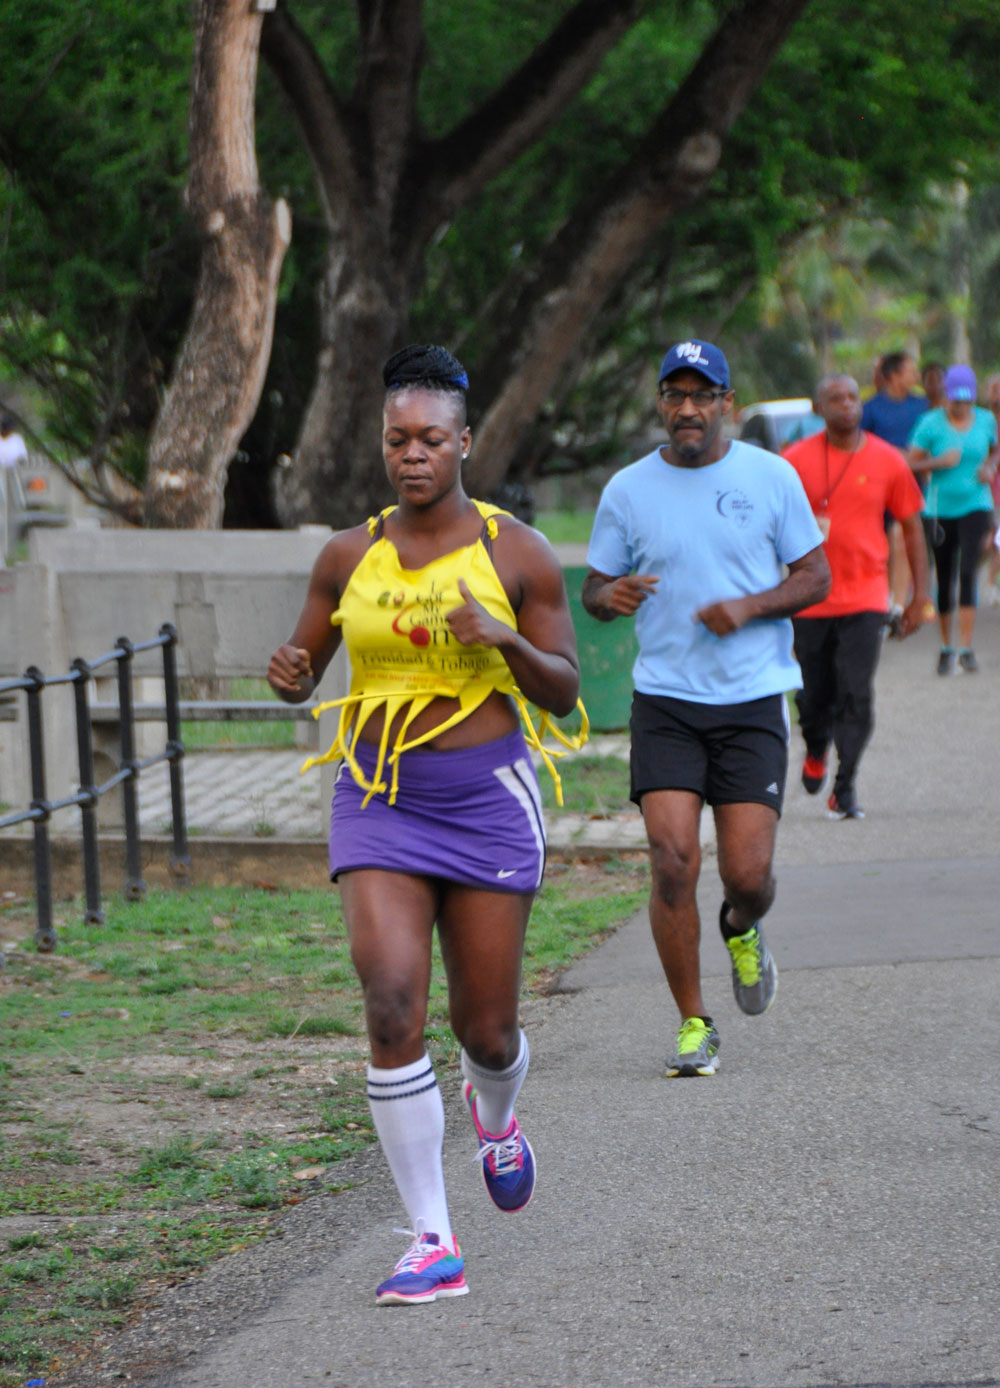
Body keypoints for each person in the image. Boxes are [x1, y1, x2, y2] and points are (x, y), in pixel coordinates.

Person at [267, 345, 584, 1305]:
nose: (413, 454)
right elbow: (302, 669)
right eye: (398, 439)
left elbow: (564, 691)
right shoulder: (346, 555)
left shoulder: (516, 553)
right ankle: (431, 1240)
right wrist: (289, 675)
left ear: (465, 443)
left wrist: (506, 639)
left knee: (485, 1030)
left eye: (431, 440)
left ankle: (496, 1117)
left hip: (486, 800)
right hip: (378, 796)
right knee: (392, 1001)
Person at [582, 339, 830, 1079]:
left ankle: (741, 927)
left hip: (751, 698)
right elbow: (594, 589)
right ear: (661, 403)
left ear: (728, 404)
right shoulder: (627, 489)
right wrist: (610, 595)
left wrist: (748, 606)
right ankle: (695, 1022)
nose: (687, 408)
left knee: (748, 877)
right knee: (672, 861)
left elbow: (815, 576)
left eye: (702, 395)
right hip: (666, 701)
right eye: (675, 394)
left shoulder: (770, 476)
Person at [784, 374, 930, 820]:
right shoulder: (793, 461)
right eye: (835, 398)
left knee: (856, 692)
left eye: (852, 397)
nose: (846, 404)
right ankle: (816, 748)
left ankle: (844, 787)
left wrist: (919, 597)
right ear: (818, 408)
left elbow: (912, 529)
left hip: (866, 597)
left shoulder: (888, 460)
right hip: (809, 598)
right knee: (813, 696)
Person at [909, 364, 1000, 674]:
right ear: (946, 396)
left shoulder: (985, 419)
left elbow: (996, 449)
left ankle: (967, 648)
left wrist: (990, 466)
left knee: (968, 571)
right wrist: (938, 462)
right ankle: (947, 648)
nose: (960, 406)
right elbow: (910, 462)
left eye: (966, 400)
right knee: (945, 575)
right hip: (939, 509)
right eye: (955, 400)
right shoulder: (930, 423)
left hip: (976, 504)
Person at [860, 352, 930, 630]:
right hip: (876, 488)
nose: (916, 375)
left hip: (914, 486)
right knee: (881, 546)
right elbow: (858, 444)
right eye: (911, 371)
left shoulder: (922, 406)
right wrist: (894, 456)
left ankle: (897, 606)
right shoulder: (870, 409)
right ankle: (880, 600)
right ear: (894, 376)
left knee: (903, 538)